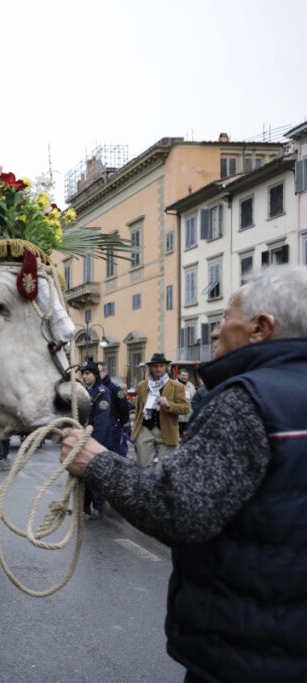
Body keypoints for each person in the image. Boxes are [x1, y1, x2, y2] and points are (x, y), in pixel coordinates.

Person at [60, 264, 307, 682]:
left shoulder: (243, 401)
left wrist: (95, 461)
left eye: (225, 319)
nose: (213, 332)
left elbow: (178, 508)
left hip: (249, 650)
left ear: (260, 328)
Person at [130, 352, 189, 469]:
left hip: (167, 429)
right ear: (151, 368)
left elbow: (185, 408)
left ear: (165, 367)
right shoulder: (142, 385)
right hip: (145, 428)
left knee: (164, 469)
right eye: (155, 366)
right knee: (142, 466)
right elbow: (138, 409)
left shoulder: (176, 386)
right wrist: (134, 428)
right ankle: (145, 486)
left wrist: (168, 404)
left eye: (161, 366)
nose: (158, 369)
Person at [78, 361, 111, 520]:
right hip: (83, 437)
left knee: (95, 474)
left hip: (95, 438)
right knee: (81, 472)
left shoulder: (101, 392)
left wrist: (94, 444)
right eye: (83, 374)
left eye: (87, 374)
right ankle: (84, 505)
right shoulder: (84, 391)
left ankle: (98, 506)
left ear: (95, 375)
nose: (84, 377)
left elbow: (101, 420)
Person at [98, 362, 131, 456]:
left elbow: (124, 408)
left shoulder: (115, 389)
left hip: (113, 427)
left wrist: (118, 423)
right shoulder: (96, 388)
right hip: (101, 428)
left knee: (118, 456)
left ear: (105, 372)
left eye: (98, 372)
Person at [176, 368, 196, 439]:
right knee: (177, 438)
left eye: (186, 376)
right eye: (183, 375)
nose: (185, 377)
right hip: (177, 418)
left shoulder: (191, 386)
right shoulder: (173, 385)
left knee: (187, 436)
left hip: (188, 416)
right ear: (178, 375)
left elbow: (194, 399)